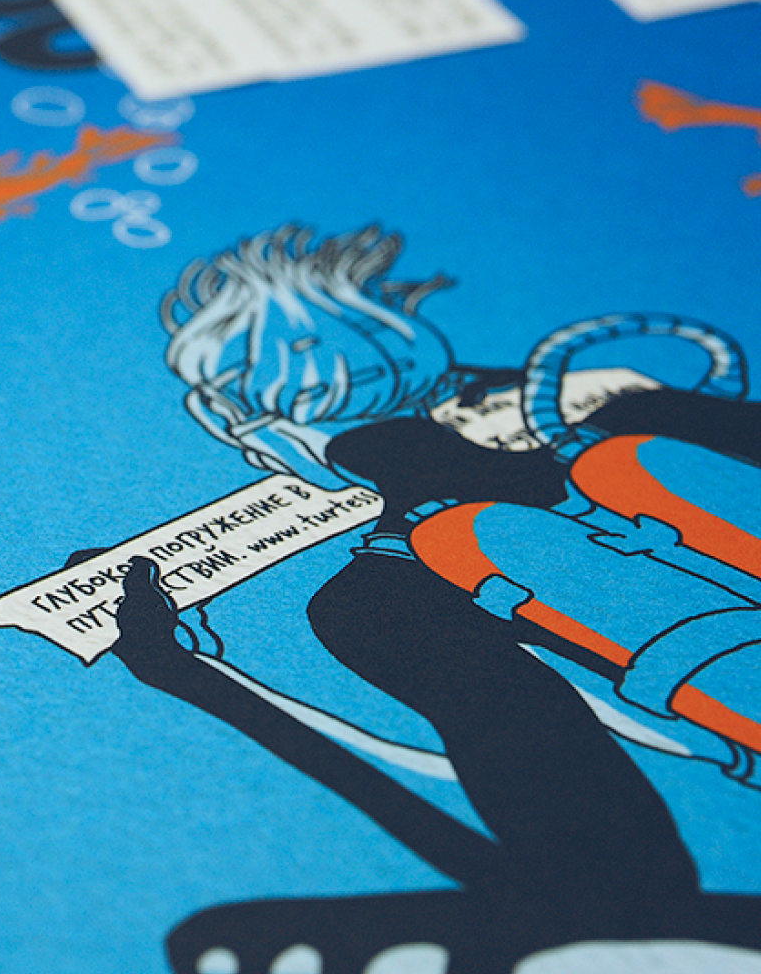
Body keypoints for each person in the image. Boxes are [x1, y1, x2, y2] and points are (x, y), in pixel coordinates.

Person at [109, 223, 761, 973]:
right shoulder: (387, 593)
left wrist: (190, 676)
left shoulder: (383, 594)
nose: (309, 358)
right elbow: (602, 881)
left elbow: (606, 886)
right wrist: (189, 675)